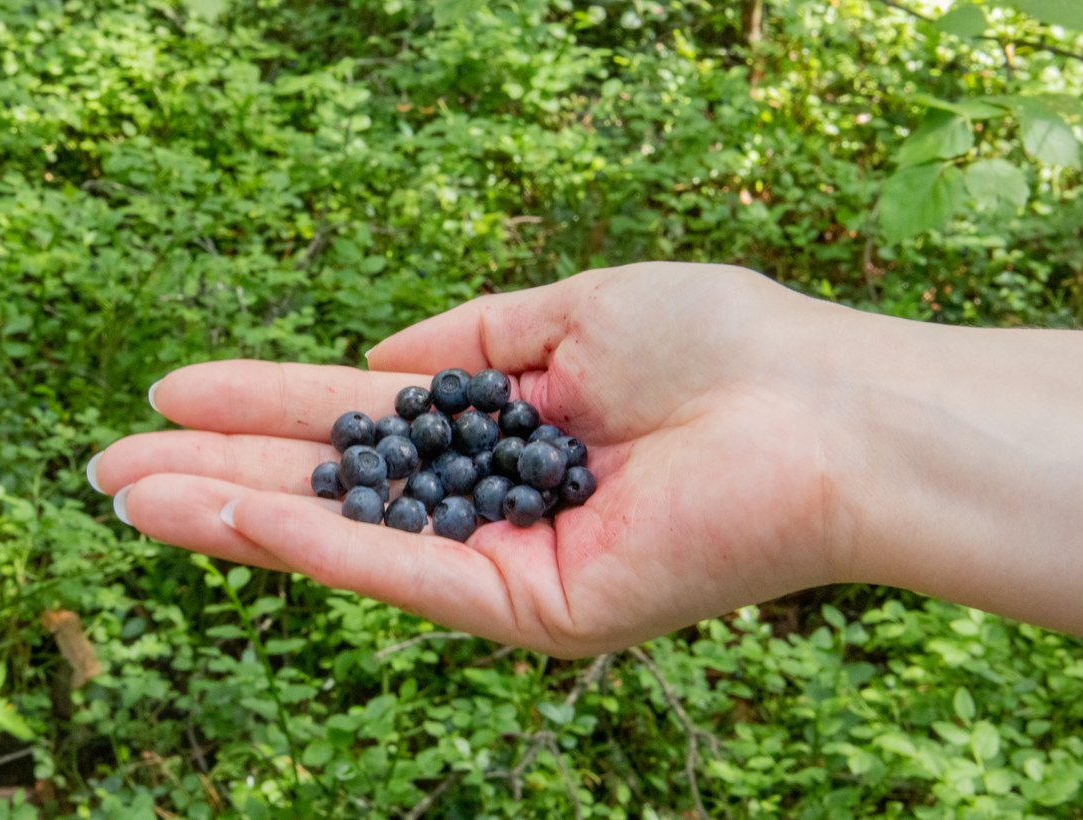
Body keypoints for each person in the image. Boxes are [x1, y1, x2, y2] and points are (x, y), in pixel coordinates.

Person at [86, 262, 1083, 658]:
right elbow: (446, 445)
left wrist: (806, 389)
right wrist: (825, 405)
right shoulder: (464, 450)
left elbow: (468, 450)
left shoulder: (517, 455)